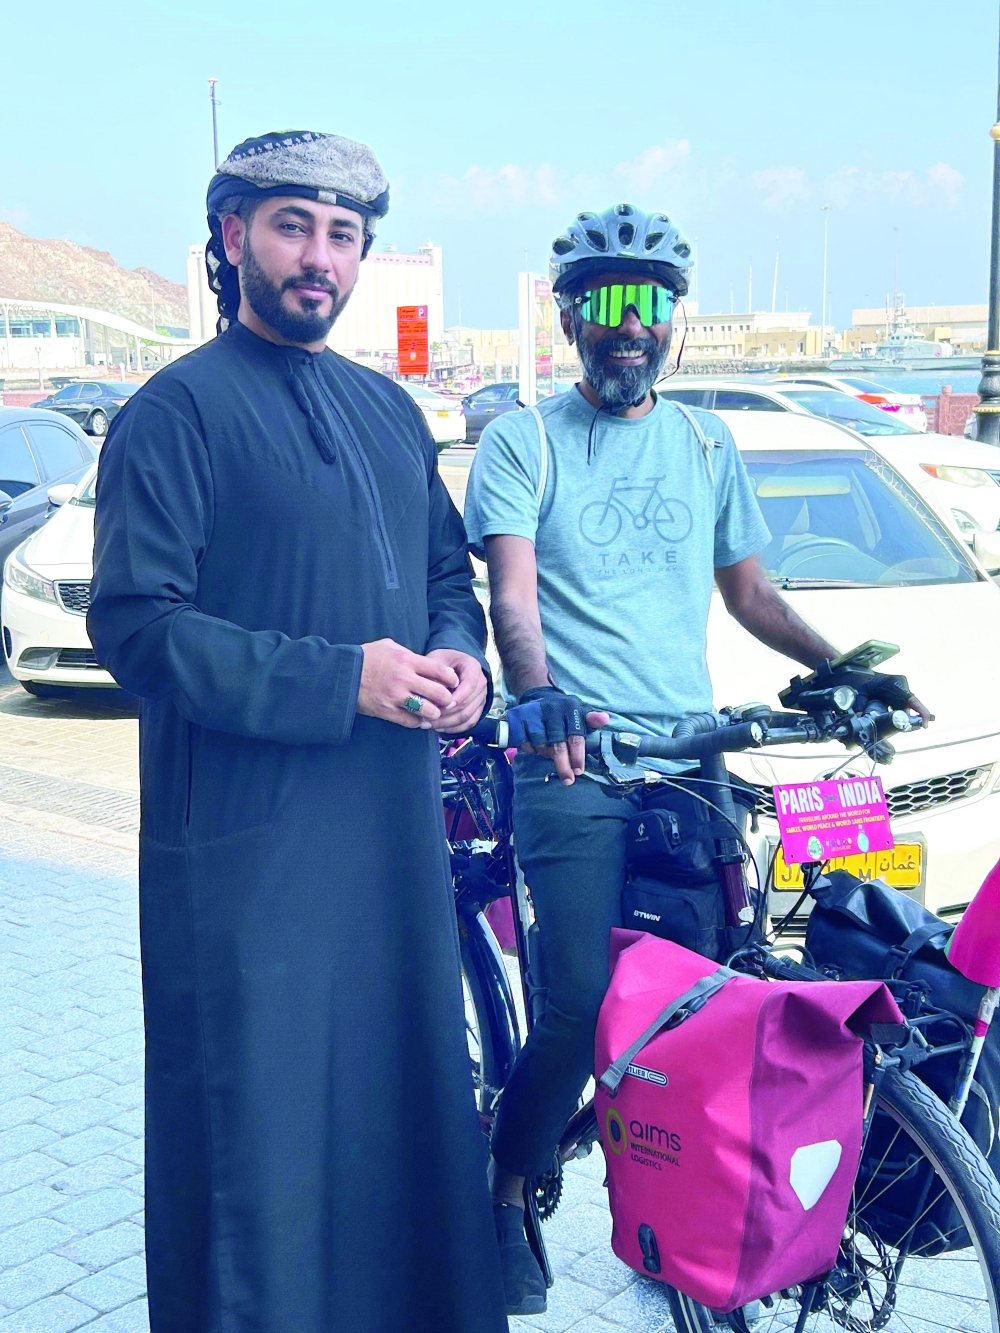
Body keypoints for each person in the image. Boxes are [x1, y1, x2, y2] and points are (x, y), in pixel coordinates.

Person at [463, 203, 929, 1314]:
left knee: (714, 993)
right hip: (569, 763)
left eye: (652, 305)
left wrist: (837, 669)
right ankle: (505, 1185)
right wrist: (539, 698)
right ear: (570, 314)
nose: (631, 327)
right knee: (575, 1002)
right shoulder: (523, 440)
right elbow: (514, 602)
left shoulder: (706, 443)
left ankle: (690, 1204)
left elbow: (751, 594)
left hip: (687, 759)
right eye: (608, 304)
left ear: (674, 320)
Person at [87, 130, 506, 1333]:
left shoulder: (386, 411)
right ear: (232, 239)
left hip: (387, 845)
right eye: (291, 228)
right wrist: (344, 679)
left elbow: (443, 575)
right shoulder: (173, 414)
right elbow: (138, 629)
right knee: (260, 1139)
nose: (318, 258)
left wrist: (459, 661)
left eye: (343, 237)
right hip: (248, 857)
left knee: (400, 1107)